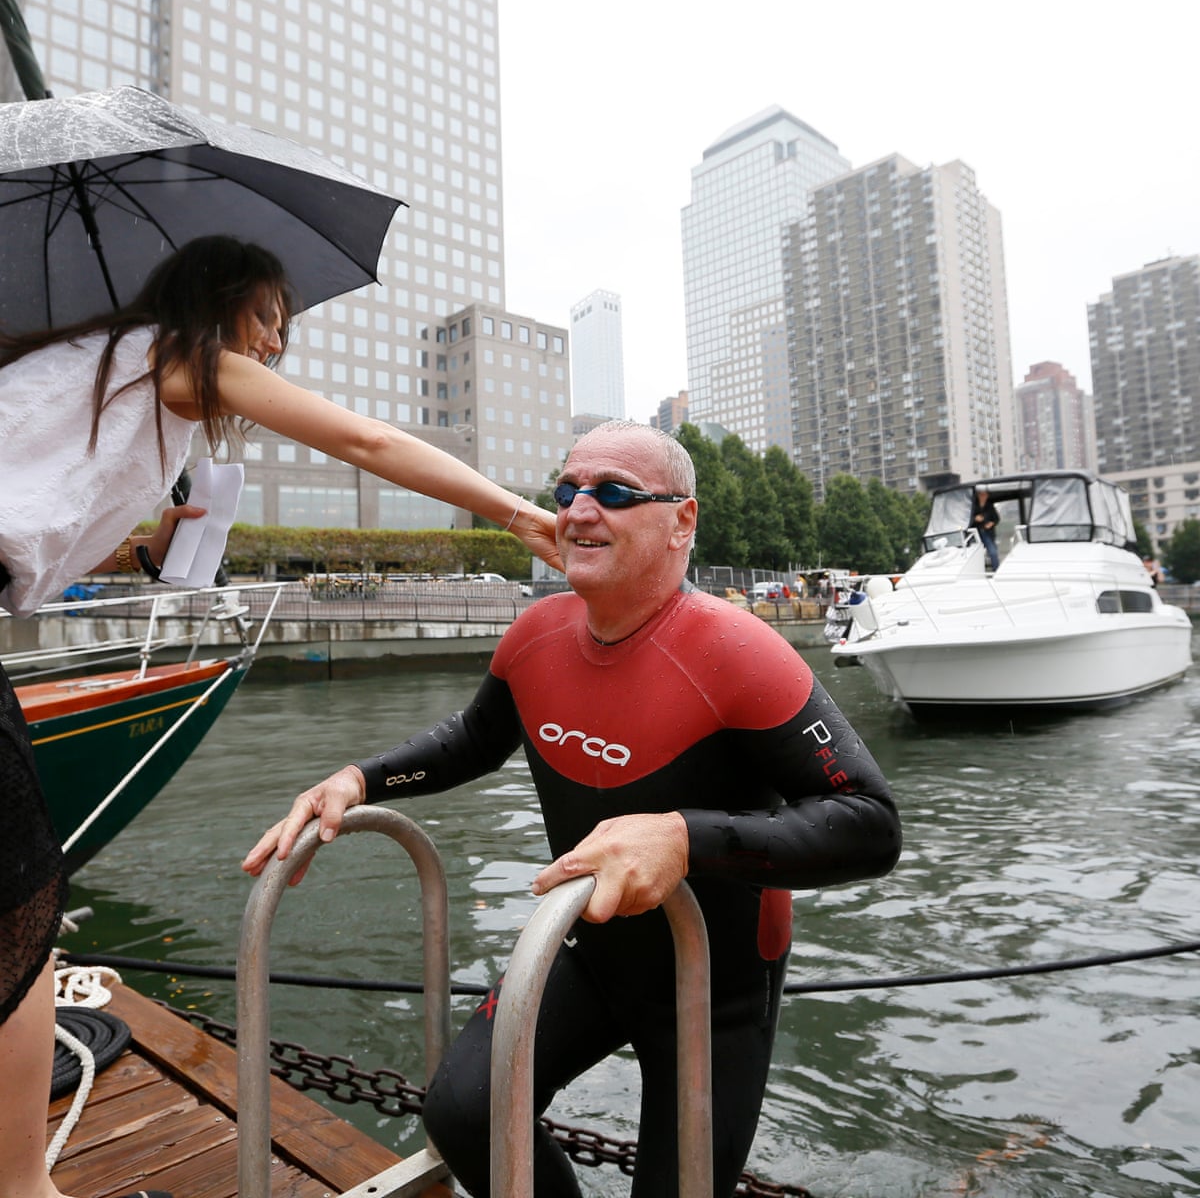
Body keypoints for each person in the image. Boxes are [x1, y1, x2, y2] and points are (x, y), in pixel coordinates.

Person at [0, 235, 560, 1198]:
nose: (271, 346)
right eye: (266, 318)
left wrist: (145, 546)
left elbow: (28, 538)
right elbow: (364, 442)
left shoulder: (100, 363)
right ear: (218, 300)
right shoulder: (177, 356)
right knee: (15, 901)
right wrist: (516, 514)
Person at [244, 420, 901, 1198]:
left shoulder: (737, 651)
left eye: (615, 494)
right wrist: (358, 781)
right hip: (589, 954)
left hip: (714, 987)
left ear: (681, 521)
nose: (579, 510)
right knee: (461, 1113)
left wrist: (683, 837)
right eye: (567, 491)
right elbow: (472, 742)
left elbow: (868, 822)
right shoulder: (535, 635)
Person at [971, 485, 1001, 571]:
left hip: (988, 533)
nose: (983, 496)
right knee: (974, 555)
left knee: (993, 552)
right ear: (978, 495)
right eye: (981, 494)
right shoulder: (973, 506)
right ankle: (978, 571)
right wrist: (974, 519)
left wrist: (991, 523)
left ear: (987, 495)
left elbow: (997, 519)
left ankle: (996, 571)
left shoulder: (990, 506)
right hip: (975, 533)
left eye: (984, 494)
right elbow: (967, 520)